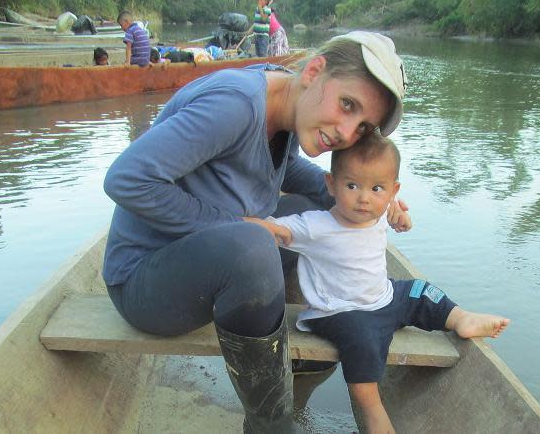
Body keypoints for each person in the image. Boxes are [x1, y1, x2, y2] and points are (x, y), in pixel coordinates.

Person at [102, 31, 407, 433]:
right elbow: (126, 180)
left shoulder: (287, 99)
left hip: (209, 260)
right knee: (255, 244)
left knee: (314, 214)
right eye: (347, 104)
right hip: (145, 281)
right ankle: (270, 425)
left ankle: (292, 364)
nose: (346, 133)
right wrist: (239, 226)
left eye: (362, 126)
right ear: (315, 71)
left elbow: (283, 171)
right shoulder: (236, 106)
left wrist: (358, 195)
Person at [268, 133, 511, 433]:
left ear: (392, 191)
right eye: (352, 185)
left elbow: (401, 222)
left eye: (376, 188)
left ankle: (462, 319)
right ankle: (374, 414)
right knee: (363, 351)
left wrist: (402, 219)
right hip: (343, 313)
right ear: (331, 184)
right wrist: (241, 222)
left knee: (422, 292)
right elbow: (275, 230)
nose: (364, 198)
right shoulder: (314, 226)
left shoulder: (377, 213)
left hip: (383, 297)